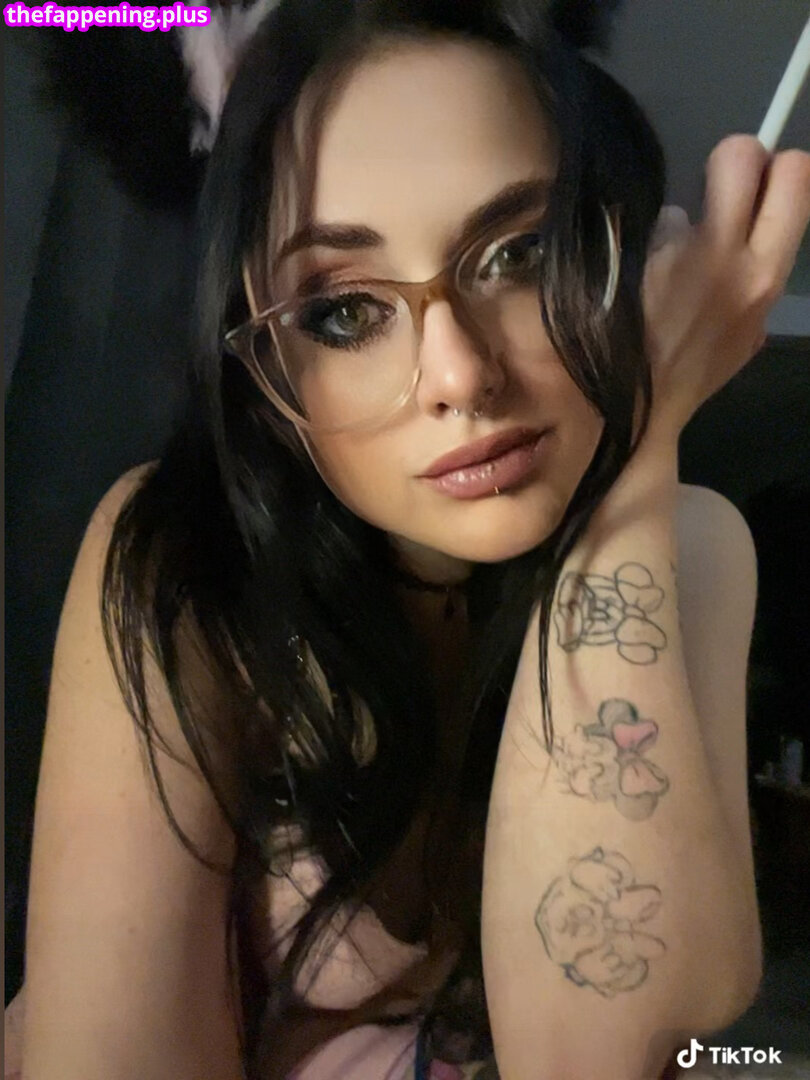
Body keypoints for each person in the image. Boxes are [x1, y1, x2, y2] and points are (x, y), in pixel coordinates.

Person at [5, 1, 810, 1078]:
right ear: (266, 370)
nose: (462, 376)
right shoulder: (179, 565)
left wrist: (637, 455)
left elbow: (599, 1054)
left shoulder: (690, 545)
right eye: (344, 312)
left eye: (520, 253)